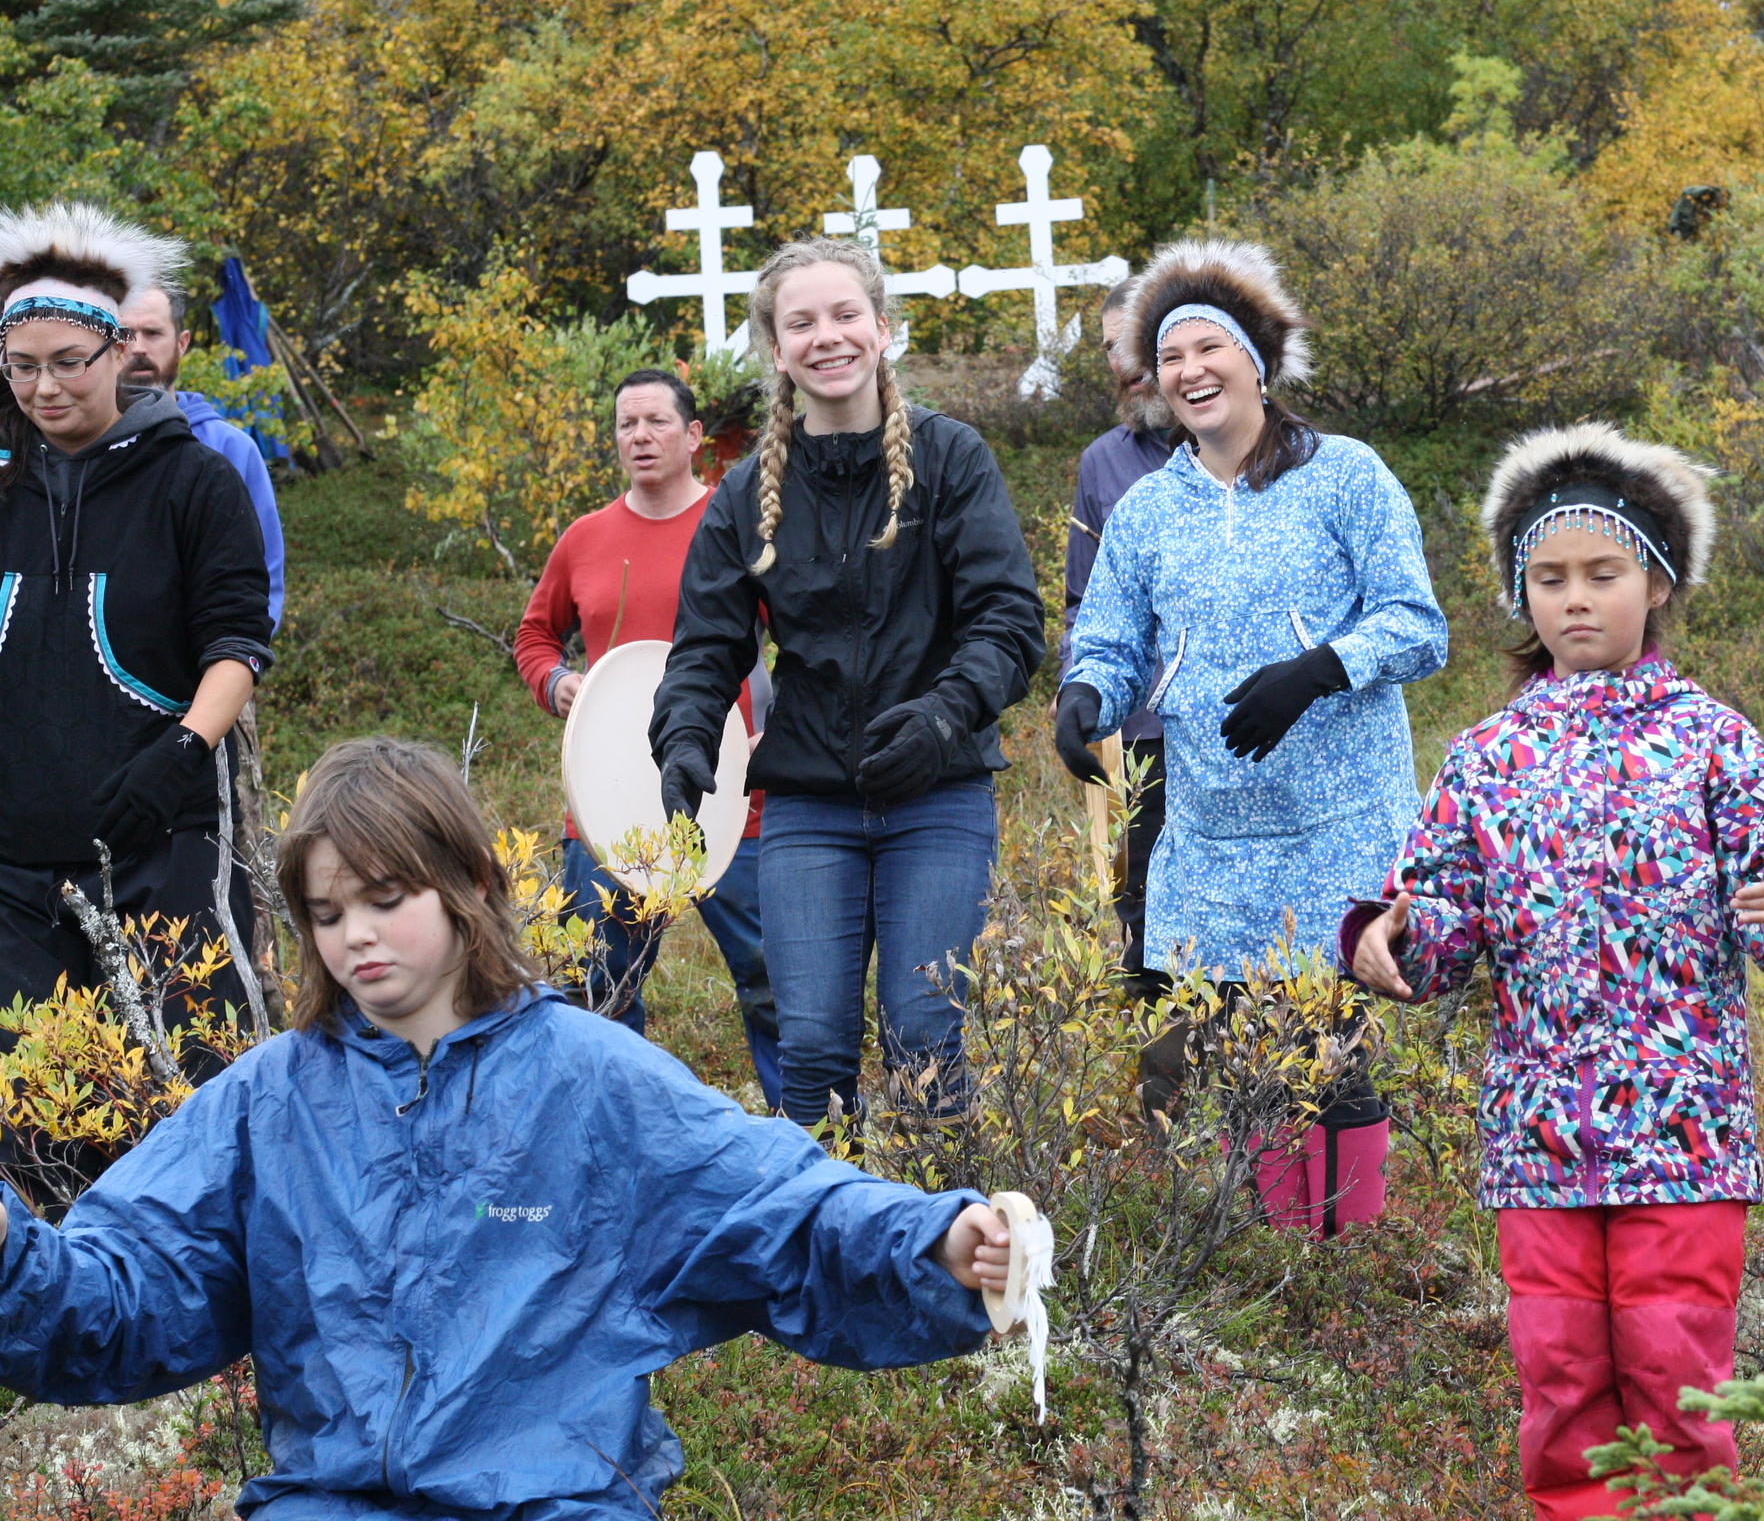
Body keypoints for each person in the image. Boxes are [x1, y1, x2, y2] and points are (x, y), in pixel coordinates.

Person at [0, 736, 1019, 1518]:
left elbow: (784, 1211)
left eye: (386, 897)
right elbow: (122, 1297)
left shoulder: (592, 1077)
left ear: (472, 886)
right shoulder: (267, 1103)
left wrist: (936, 1242)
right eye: (324, 910)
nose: (354, 933)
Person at [1344, 422, 1764, 1521]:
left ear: (1656, 582)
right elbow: (1442, 921)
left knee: (1678, 1380)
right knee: (1561, 1386)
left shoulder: (1715, 739)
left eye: (1602, 574)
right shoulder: (1485, 755)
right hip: (1540, 1139)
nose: (1576, 599)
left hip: (1687, 1133)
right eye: (1550, 578)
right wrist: (1391, 940)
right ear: (1523, 595)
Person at [1054, 239, 1448, 1235]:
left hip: (1339, 823)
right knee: (1244, 1060)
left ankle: (1344, 1256)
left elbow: (1418, 624)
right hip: (1214, 832)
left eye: (1205, 347)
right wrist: (1086, 695)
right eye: (1168, 356)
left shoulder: (1346, 477)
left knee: (1335, 1053)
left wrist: (1321, 668)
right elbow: (1109, 634)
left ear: (1255, 359)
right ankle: (1281, 1266)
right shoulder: (1146, 509)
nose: (1188, 371)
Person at [651, 238, 1045, 1129]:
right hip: (808, 807)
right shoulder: (746, 493)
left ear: (883, 329)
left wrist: (946, 717)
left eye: (843, 315)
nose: (826, 337)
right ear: (777, 349)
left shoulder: (951, 460)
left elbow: (1009, 621)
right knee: (813, 1047)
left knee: (922, 1038)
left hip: (937, 794)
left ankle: (940, 1253)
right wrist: (682, 736)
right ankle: (823, 1249)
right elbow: (706, 646)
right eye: (802, 323)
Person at [0, 203, 272, 1027]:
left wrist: (182, 751)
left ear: (121, 351)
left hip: (165, 843)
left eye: (69, 363)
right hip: (15, 867)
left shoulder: (193, 481)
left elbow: (236, 643)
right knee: (38, 1118)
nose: (44, 387)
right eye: (19, 366)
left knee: (183, 1077)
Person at [515, 367, 781, 1103]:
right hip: (608, 807)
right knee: (598, 995)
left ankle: (812, 1147)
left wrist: (779, 729)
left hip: (733, 799)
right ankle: (612, 1143)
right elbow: (536, 636)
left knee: (775, 990)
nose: (640, 436)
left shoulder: (738, 528)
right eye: (626, 424)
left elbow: (804, 639)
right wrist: (556, 681)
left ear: (695, 436)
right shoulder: (585, 538)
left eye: (657, 422)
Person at [1059, 279, 1179, 1112]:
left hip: (1252, 729)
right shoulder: (1103, 464)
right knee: (1144, 914)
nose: (1122, 363)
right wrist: (1083, 690)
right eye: (1107, 347)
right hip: (1143, 738)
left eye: (1131, 342)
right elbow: (1082, 603)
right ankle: (1167, 1112)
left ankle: (1272, 1097)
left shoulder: (1256, 447)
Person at [121, 285, 286, 630]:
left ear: (182, 343)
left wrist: (236, 665)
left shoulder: (230, 449)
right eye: (124, 334)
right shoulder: (77, 443)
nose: (137, 347)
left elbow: (263, 575)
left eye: (152, 333)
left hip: (205, 671)